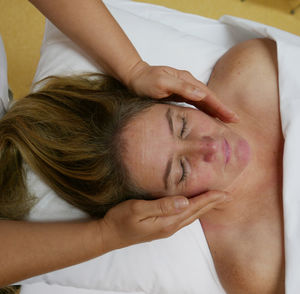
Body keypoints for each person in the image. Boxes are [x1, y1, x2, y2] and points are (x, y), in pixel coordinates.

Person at [1, 37, 284, 293]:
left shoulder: (254, 69)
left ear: (176, 100)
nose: (208, 147)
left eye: (182, 125)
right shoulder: (255, 268)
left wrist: (136, 69)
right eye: (181, 171)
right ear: (164, 205)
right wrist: (105, 236)